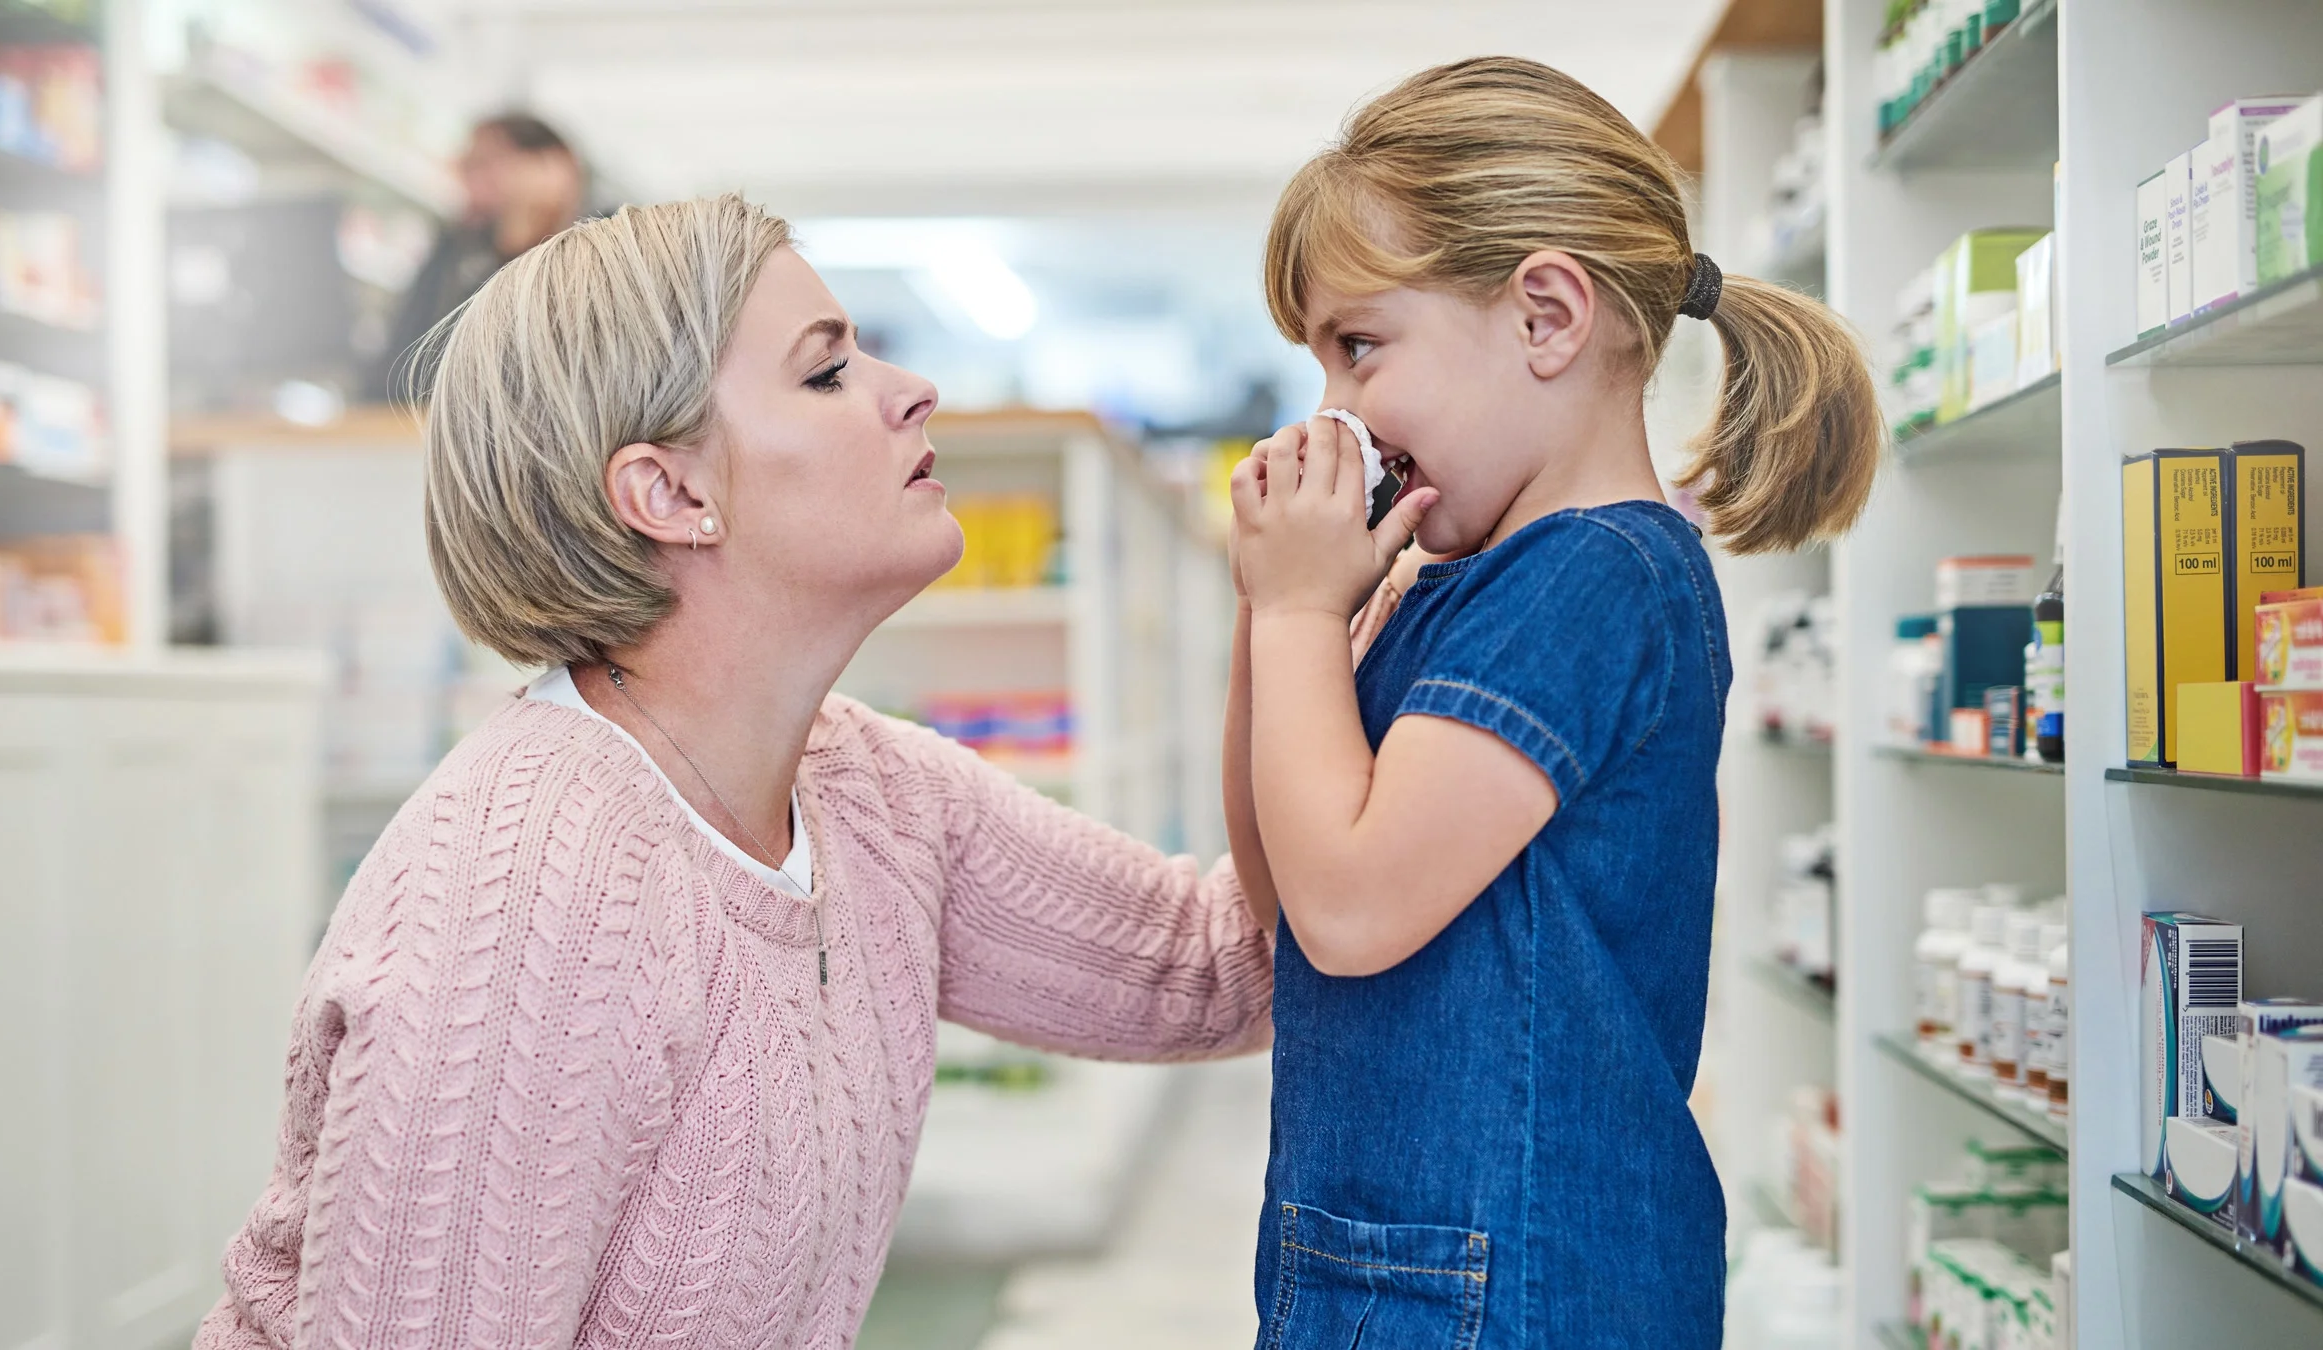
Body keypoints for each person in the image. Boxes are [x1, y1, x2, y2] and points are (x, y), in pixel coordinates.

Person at [194, 195, 1274, 1349]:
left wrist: (1326, 611)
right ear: (671, 494)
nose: (911, 389)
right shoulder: (527, 910)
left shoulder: (867, 788)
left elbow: (1209, 967)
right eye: (826, 373)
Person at [1224, 57, 1880, 1347]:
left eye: (1358, 348)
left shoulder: (1594, 575)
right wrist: (1273, 623)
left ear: (1545, 317)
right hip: (1399, 1266)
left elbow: (1353, 907)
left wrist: (1303, 617)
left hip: (1523, 1289)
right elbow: (1288, 902)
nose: (1336, 413)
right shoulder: (1457, 588)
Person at [375, 113, 589, 398]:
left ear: (551, 169)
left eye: (483, 165)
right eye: (466, 165)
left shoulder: (587, 259)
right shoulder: (455, 250)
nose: (467, 181)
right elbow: (403, 362)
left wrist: (520, 239)